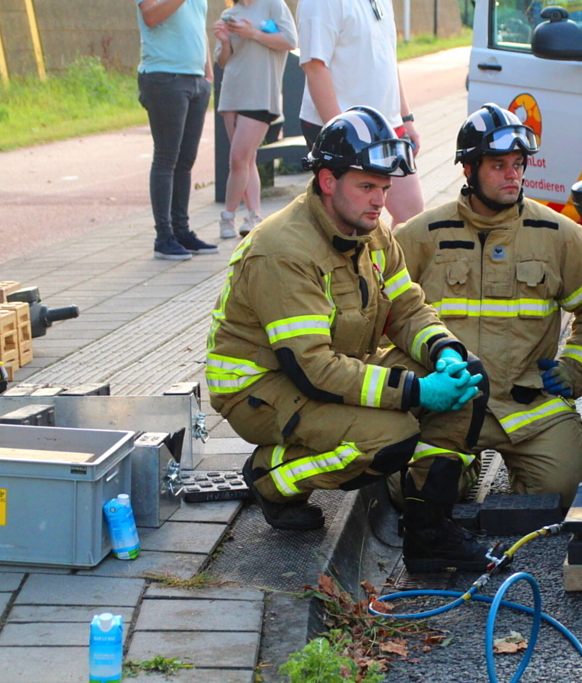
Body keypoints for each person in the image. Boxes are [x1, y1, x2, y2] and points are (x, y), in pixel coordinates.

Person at [206, 106, 491, 573]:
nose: (380, 200)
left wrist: (444, 351)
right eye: (366, 186)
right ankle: (272, 477)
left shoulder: (371, 230)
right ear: (326, 181)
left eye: (384, 186)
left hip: (324, 367)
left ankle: (429, 533)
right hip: (258, 389)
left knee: (469, 382)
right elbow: (312, 369)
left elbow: (407, 308)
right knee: (390, 438)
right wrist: (416, 391)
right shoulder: (284, 250)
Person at [395, 104, 582, 509]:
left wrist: (576, 369)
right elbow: (384, 314)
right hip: (448, 407)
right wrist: (414, 386)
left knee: (571, 491)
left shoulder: (558, 235)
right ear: (468, 169)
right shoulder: (421, 235)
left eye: (518, 163)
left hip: (527, 409)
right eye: (498, 165)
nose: (513, 174)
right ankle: (453, 470)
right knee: (417, 494)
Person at [295, 0, 425, 226]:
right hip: (343, 130)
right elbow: (314, 66)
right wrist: (340, 135)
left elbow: (388, 60)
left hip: (386, 125)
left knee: (410, 213)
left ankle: (388, 262)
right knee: (348, 220)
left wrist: (405, 119)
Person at [136, 0, 219, 260]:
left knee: (185, 161)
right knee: (166, 158)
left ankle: (181, 232)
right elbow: (150, 15)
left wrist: (207, 75)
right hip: (164, 77)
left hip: (195, 80)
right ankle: (164, 237)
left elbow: (198, 27)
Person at [213, 0, 297, 239]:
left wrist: (253, 33)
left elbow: (290, 41)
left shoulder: (274, 6)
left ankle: (227, 216)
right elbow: (223, 60)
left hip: (261, 95)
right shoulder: (230, 13)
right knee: (247, 159)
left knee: (238, 158)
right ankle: (254, 215)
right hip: (232, 93)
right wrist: (225, 40)